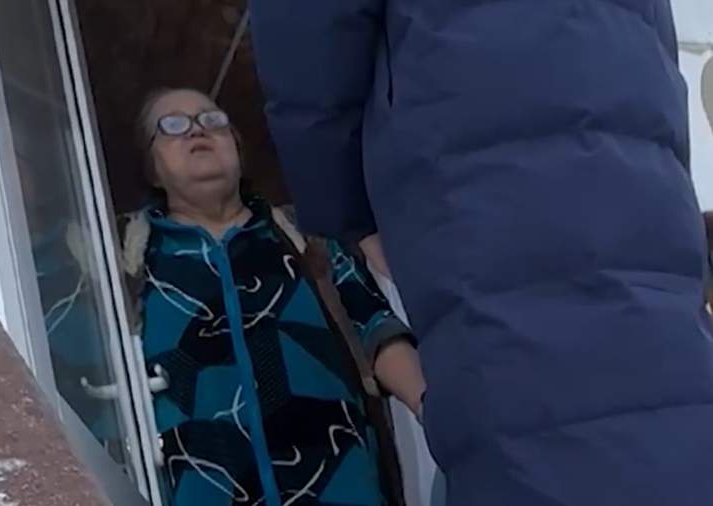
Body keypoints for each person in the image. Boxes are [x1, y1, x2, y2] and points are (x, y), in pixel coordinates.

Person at [248, 1, 713, 505]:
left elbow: (304, 30)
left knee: (536, 429)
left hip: (470, 166)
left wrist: (345, 209)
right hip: (636, 190)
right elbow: (660, 60)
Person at [118, 87, 426, 506]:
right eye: (172, 125)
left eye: (212, 120)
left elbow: (377, 328)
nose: (196, 132)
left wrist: (429, 408)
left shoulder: (308, 241)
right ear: (152, 167)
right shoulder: (128, 266)